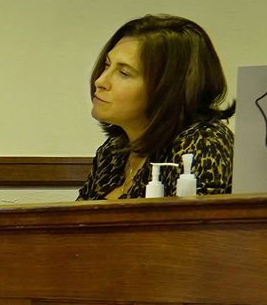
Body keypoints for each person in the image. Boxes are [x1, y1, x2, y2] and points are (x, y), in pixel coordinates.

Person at [78, 14, 234, 199]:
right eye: (107, 65)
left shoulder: (204, 142)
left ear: (169, 87)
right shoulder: (113, 151)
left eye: (124, 73)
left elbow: (198, 226)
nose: (100, 81)